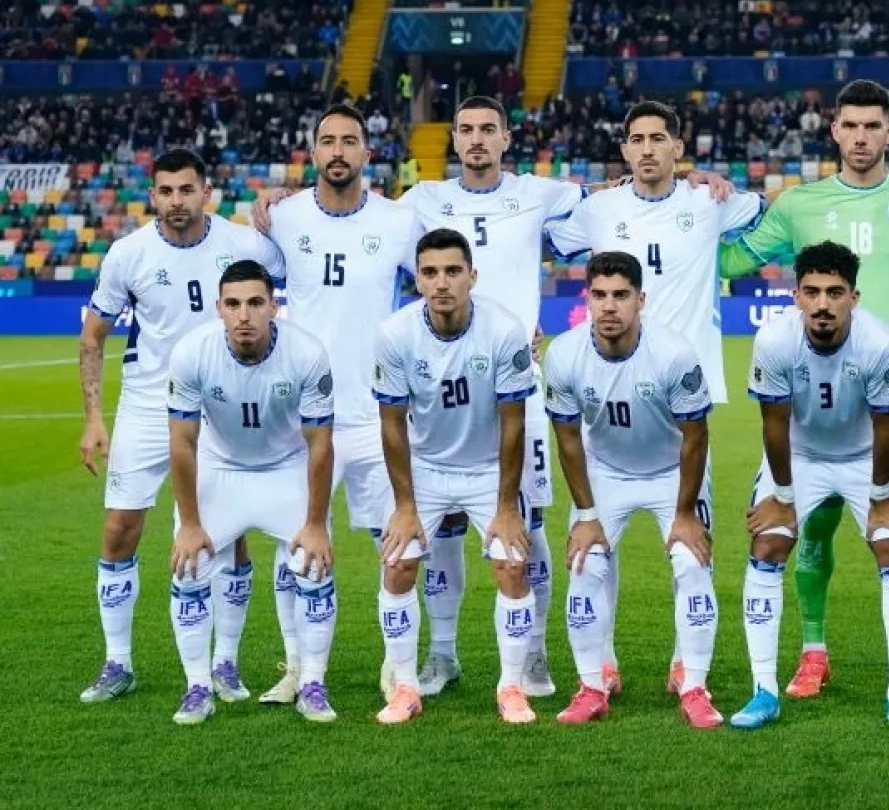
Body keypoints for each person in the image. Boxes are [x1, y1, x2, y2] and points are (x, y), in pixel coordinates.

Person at [255, 95, 733, 701]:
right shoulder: (420, 202)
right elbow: (359, 227)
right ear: (453, 140)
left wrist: (686, 177)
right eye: (466, 130)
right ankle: (440, 655)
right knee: (436, 530)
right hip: (440, 381)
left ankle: (532, 657)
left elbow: (618, 195)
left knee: (527, 526)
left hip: (516, 383)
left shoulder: (540, 193)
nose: (477, 139)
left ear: (507, 138)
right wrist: (279, 198)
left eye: (488, 129)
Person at [716, 79, 889, 700]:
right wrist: (699, 199)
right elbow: (728, 262)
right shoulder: (800, 205)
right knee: (813, 525)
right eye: (849, 125)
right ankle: (813, 651)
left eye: (872, 125)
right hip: (816, 404)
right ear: (833, 131)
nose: (860, 136)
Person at [545, 99, 765, 695]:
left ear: (677, 147)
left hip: (682, 392)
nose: (647, 148)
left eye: (658, 138)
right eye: (636, 139)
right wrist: (590, 190)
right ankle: (602, 663)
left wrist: (711, 179)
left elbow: (769, 211)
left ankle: (684, 662)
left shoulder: (708, 200)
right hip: (609, 381)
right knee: (595, 546)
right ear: (624, 150)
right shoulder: (600, 208)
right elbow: (549, 234)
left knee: (690, 542)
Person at [78, 148, 283, 705]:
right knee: (120, 528)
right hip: (148, 404)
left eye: (186, 189)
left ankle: (225, 664)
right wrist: (94, 417)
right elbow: (93, 336)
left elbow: (301, 266)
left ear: (206, 193)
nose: (176, 201)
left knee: (229, 538)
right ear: (152, 196)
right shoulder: (129, 254)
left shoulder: (242, 244)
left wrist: (282, 206)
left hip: (220, 406)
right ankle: (117, 662)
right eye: (165, 191)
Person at [256, 104, 432, 705]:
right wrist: (264, 205)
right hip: (304, 418)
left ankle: (398, 668)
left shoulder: (398, 220)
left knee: (399, 545)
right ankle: (298, 667)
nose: (338, 150)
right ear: (313, 151)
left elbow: (439, 285)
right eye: (327, 140)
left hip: (378, 413)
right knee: (296, 546)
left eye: (349, 141)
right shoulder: (284, 219)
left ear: (367, 152)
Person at [732, 241, 889, 732]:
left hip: (866, 456)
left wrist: (881, 498)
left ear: (853, 298)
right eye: (813, 292)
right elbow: (774, 423)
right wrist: (783, 497)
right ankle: (763, 691)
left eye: (835, 292)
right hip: (800, 456)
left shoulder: (880, 344)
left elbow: (887, 426)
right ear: (796, 295)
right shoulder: (774, 340)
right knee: (768, 542)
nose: (823, 304)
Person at [543, 251, 722, 728]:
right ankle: (592, 685)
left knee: (692, 564)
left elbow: (696, 436)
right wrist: (586, 516)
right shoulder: (564, 355)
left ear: (641, 299)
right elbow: (567, 439)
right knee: (585, 566)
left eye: (621, 295)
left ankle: (694, 685)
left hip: (672, 472)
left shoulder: (674, 354)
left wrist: (685, 514)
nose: (609, 306)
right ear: (587, 298)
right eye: (600, 295)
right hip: (606, 470)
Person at [372, 228, 538, 724]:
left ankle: (512, 687)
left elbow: (514, 423)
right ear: (418, 280)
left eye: (452, 271)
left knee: (512, 566)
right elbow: (391, 425)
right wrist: (405, 507)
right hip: (426, 468)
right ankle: (405, 687)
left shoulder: (503, 329)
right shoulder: (395, 334)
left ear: (472, 276)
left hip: (488, 469)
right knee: (398, 563)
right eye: (430, 272)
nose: (441, 282)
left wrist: (506, 507)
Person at [166, 260, 337, 724]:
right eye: (234, 304)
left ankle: (313, 683)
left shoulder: (307, 353)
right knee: (189, 568)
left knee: (313, 566)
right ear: (219, 308)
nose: (244, 314)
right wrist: (190, 524)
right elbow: (182, 442)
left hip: (285, 468)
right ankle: (198, 686)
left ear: (274, 307)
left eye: (256, 302)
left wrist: (316, 523)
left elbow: (320, 444)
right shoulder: (192, 353)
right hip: (220, 468)